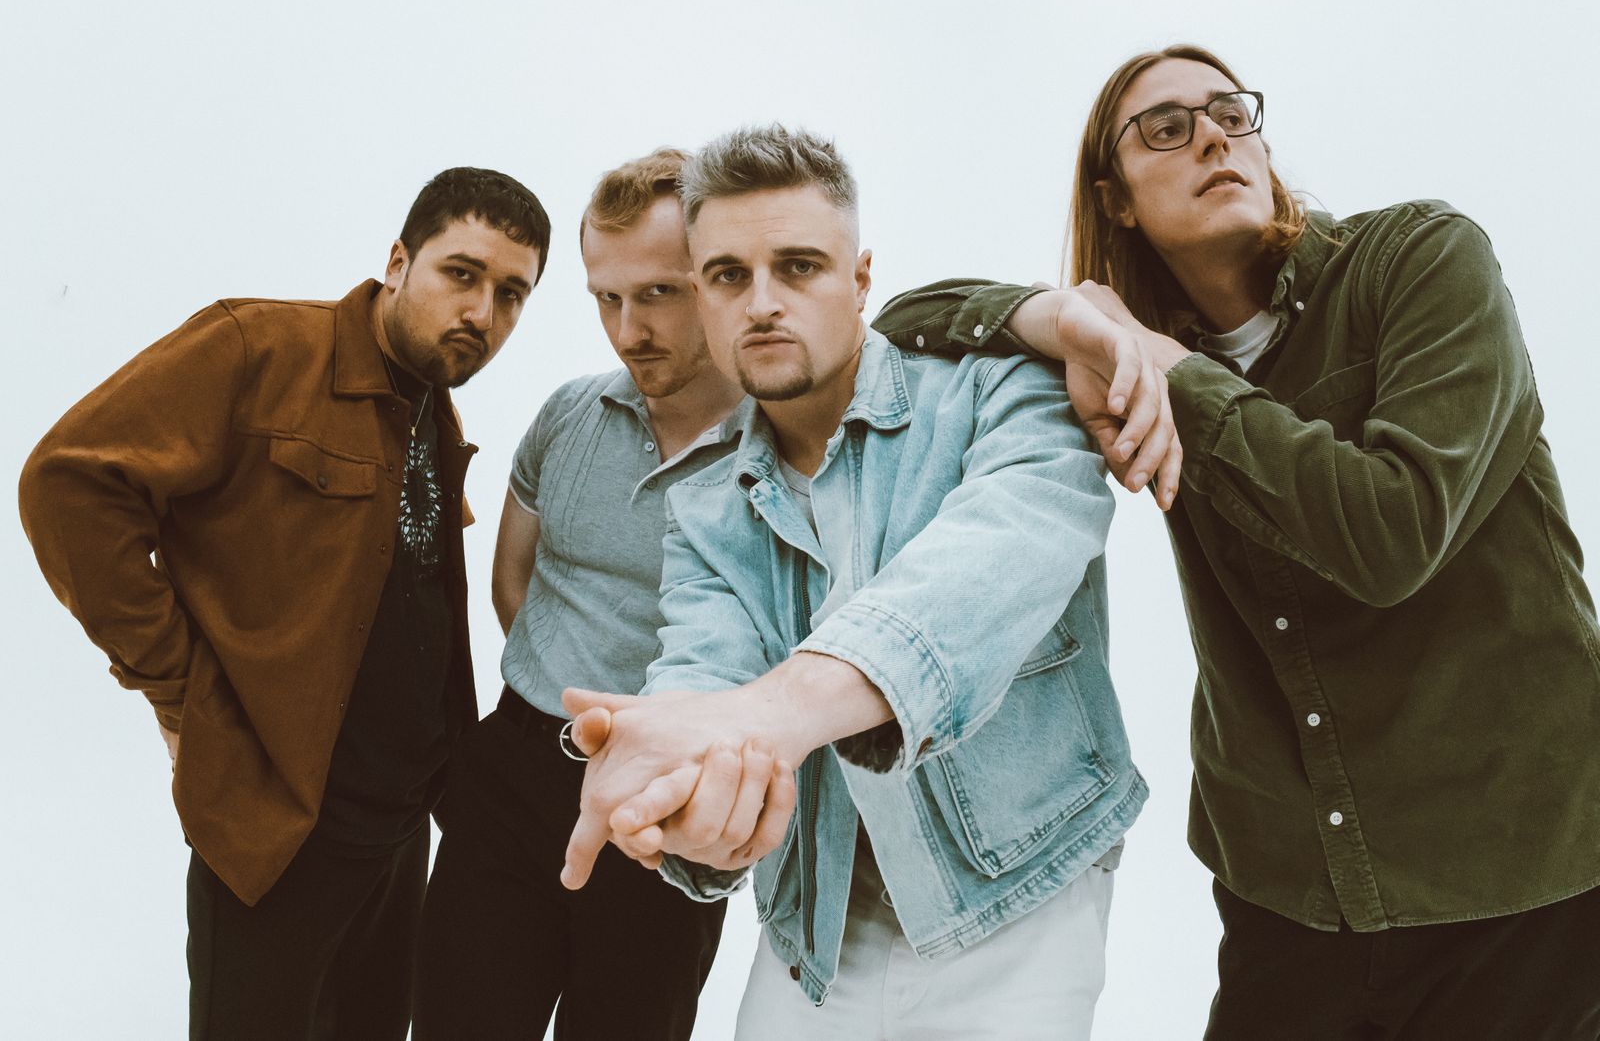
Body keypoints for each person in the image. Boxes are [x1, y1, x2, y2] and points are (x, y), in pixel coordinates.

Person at [872, 44, 1600, 1040]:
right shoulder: (1122, 358)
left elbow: (1391, 533)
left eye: (1230, 113)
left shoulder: (1421, 259)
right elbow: (902, 324)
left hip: (1515, 873)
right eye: (1166, 128)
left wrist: (1172, 371)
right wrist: (1071, 318)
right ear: (1116, 199)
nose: (1213, 137)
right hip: (1289, 890)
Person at [558, 124, 1148, 1040]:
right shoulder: (705, 504)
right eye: (728, 276)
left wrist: (764, 717)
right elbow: (702, 676)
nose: (762, 303)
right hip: (820, 922)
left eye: (799, 267)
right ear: (703, 299)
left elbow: (989, 567)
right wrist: (694, 804)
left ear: (862, 279)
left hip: (1021, 889)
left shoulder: (1002, 393)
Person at [18, 167, 550, 1041]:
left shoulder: (431, 405)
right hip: (276, 833)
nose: (481, 313)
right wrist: (177, 690)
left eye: (511, 294)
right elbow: (69, 483)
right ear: (398, 261)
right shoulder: (258, 349)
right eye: (462, 273)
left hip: (401, 833)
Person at [413, 149, 749, 1040]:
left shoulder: (783, 450)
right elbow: (512, 581)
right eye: (607, 298)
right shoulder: (570, 413)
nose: (628, 329)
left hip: (667, 811)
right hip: (514, 775)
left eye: (659, 293)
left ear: (719, 279)